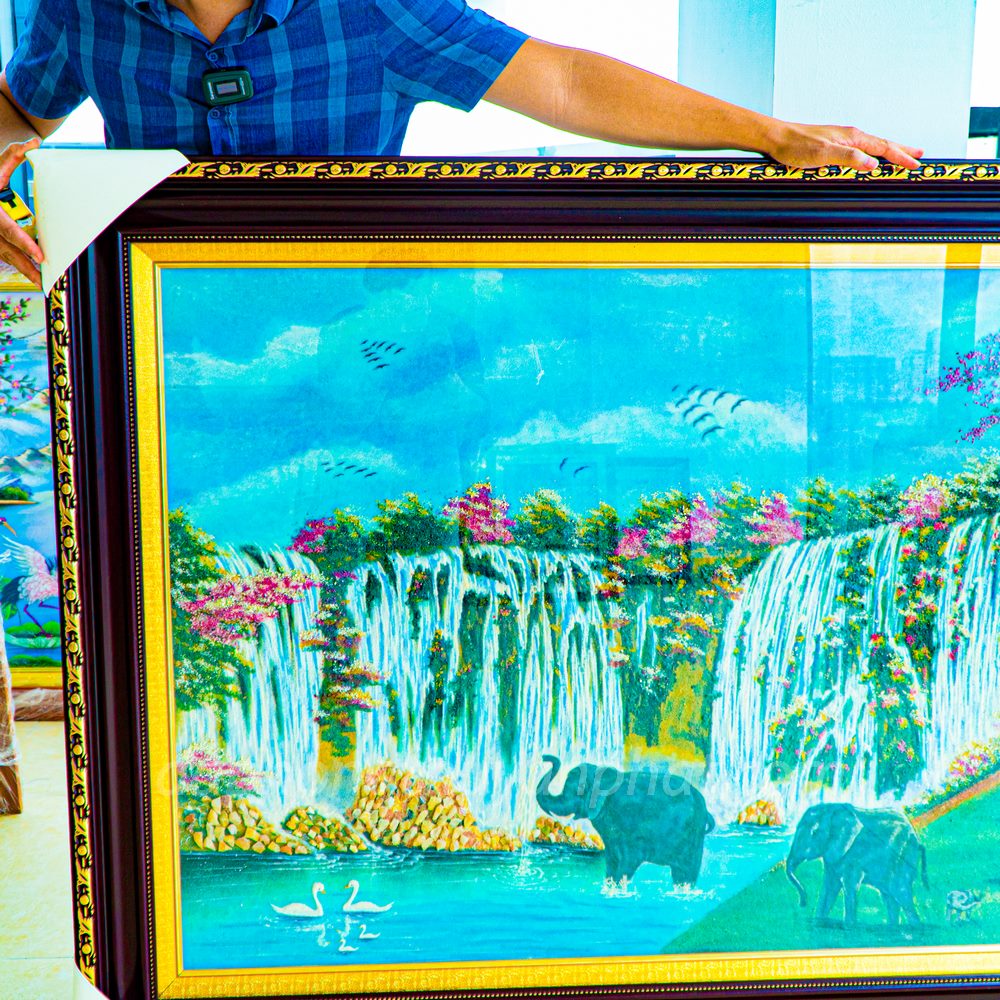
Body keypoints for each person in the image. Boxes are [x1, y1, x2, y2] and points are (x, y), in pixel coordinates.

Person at [0, 0, 922, 287]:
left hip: (356, 325)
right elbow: (23, 112)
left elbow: (562, 80)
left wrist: (770, 133)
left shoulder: (375, 10)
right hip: (151, 339)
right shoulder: (77, 10)